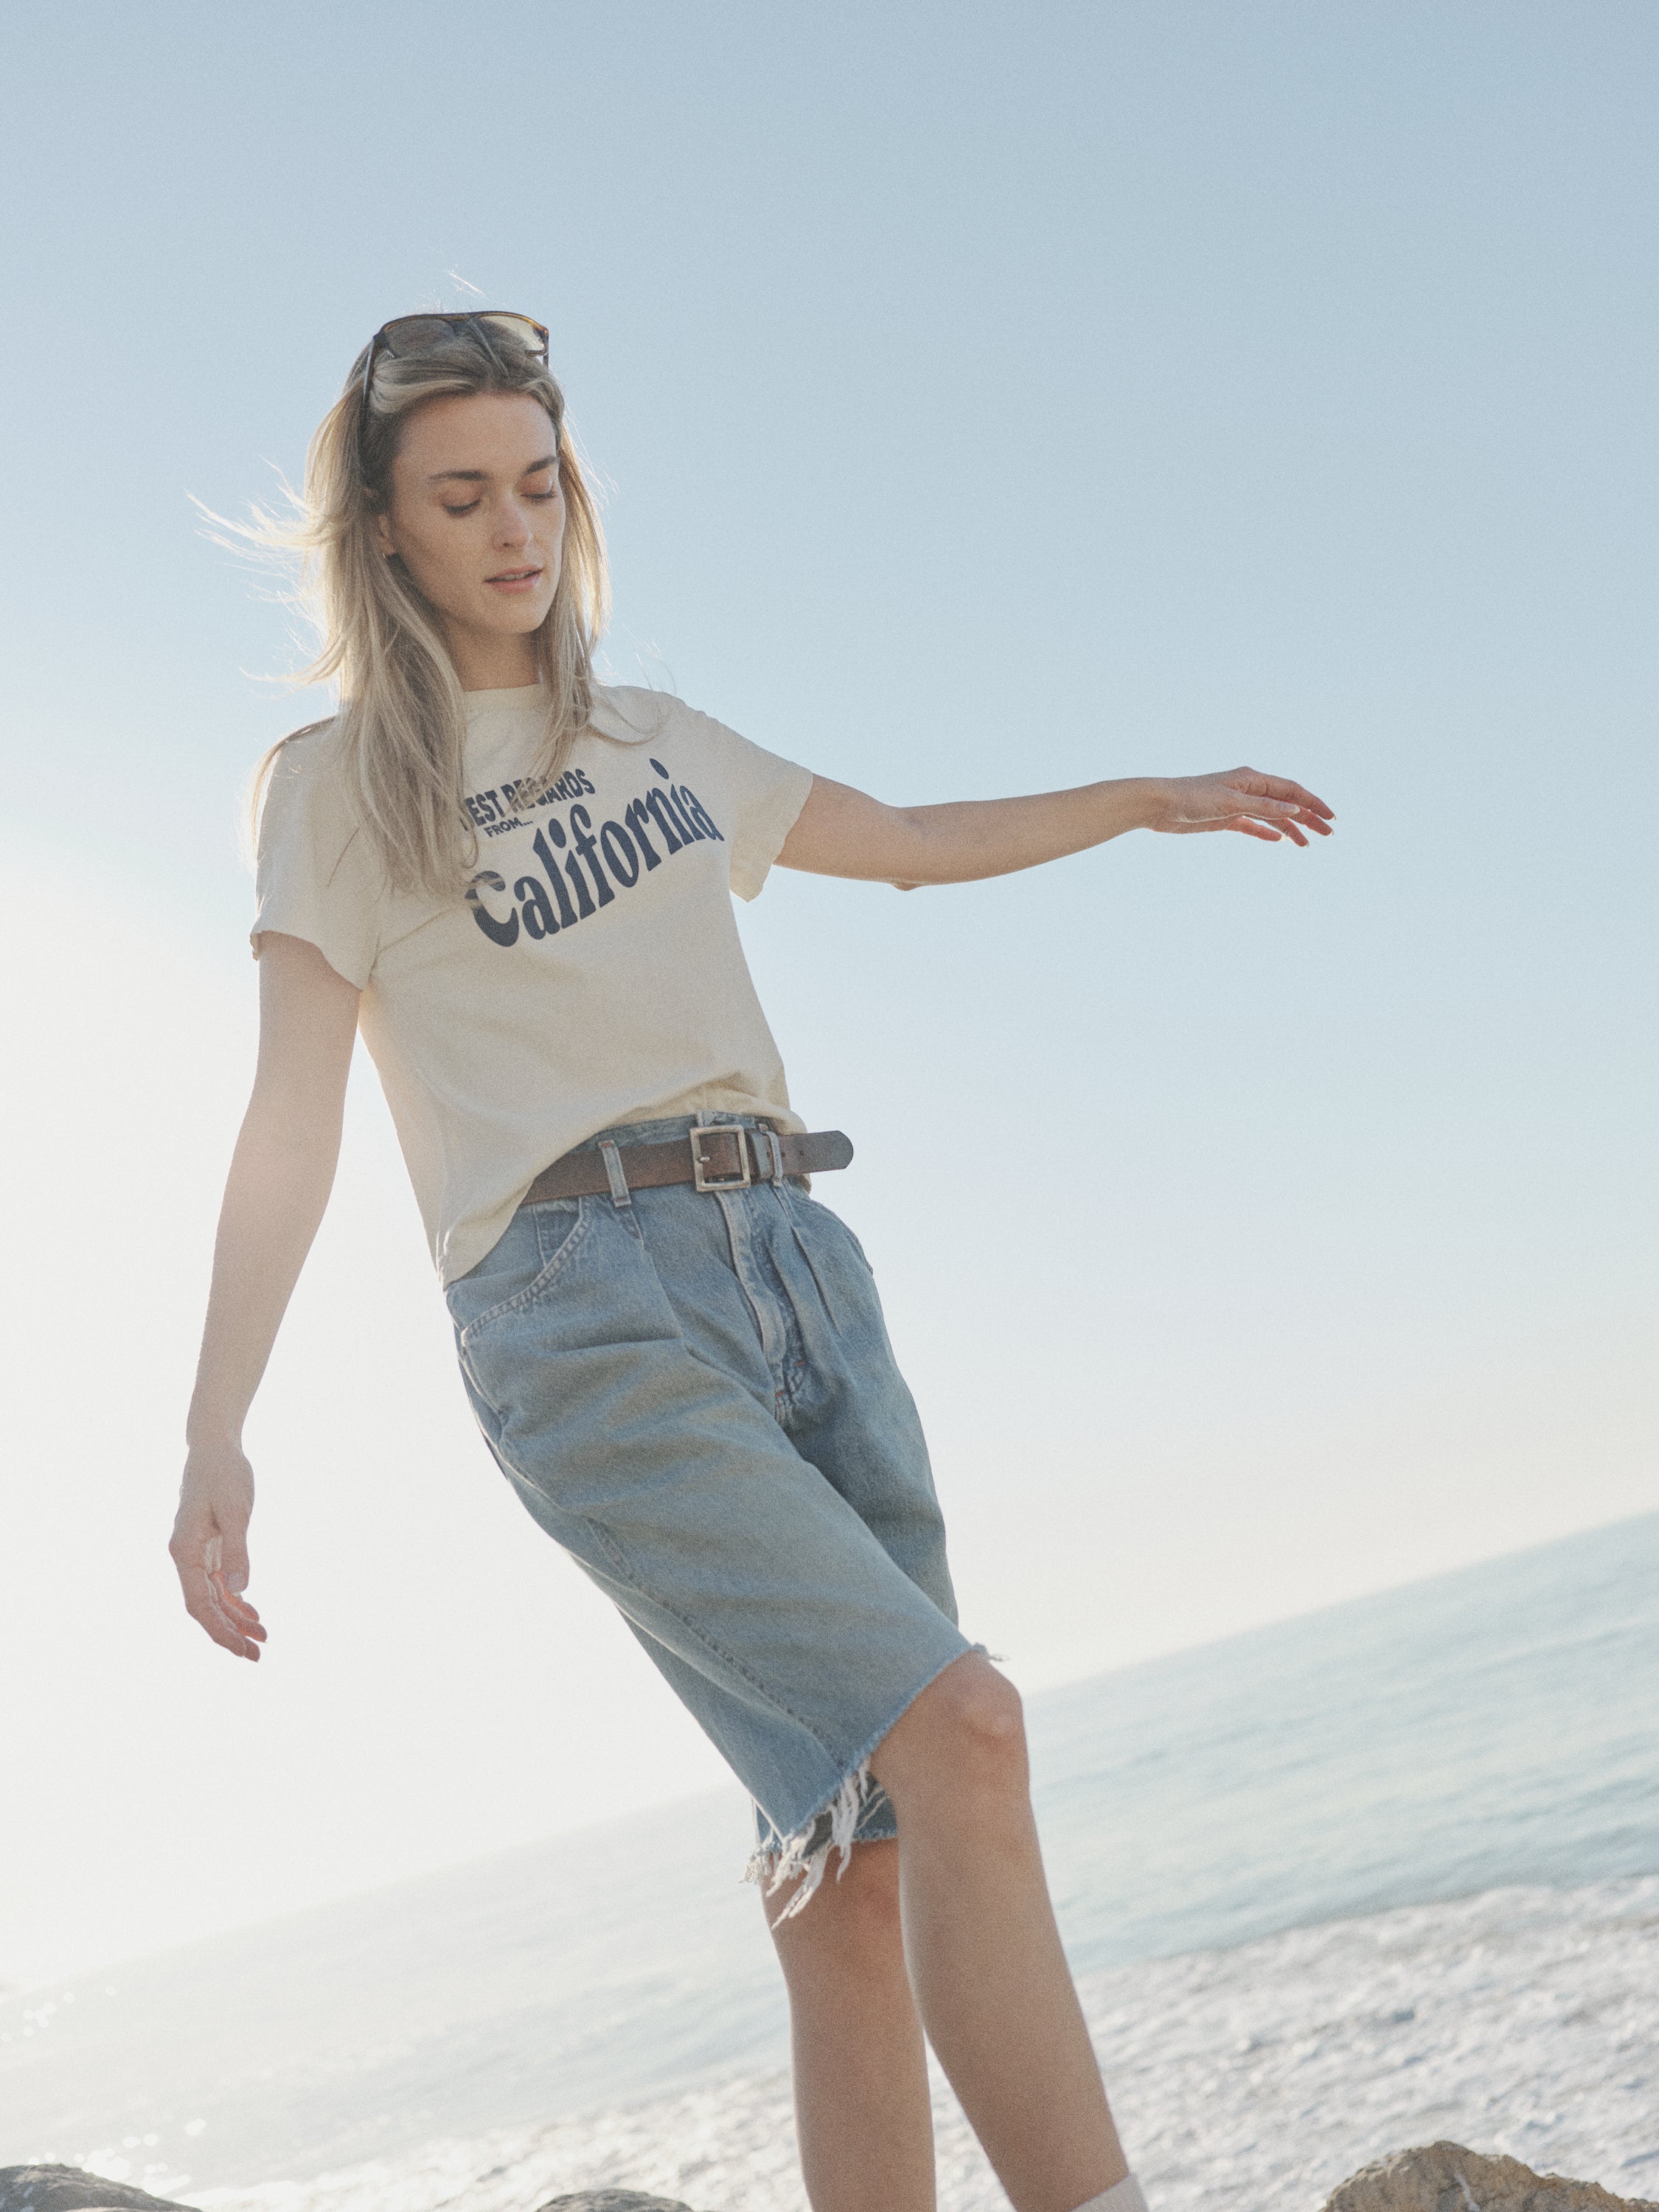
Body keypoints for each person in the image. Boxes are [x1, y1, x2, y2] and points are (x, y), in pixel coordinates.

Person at [173, 310, 1333, 2212]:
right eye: (460, 496)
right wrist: (220, 1427)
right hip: (581, 1315)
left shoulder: (656, 738)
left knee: (855, 1856)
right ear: (385, 534)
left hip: (797, 1262)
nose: (513, 529)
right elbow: (289, 1116)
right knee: (966, 1728)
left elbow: (914, 840)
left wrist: (1142, 798)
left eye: (539, 484)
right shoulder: (337, 787)